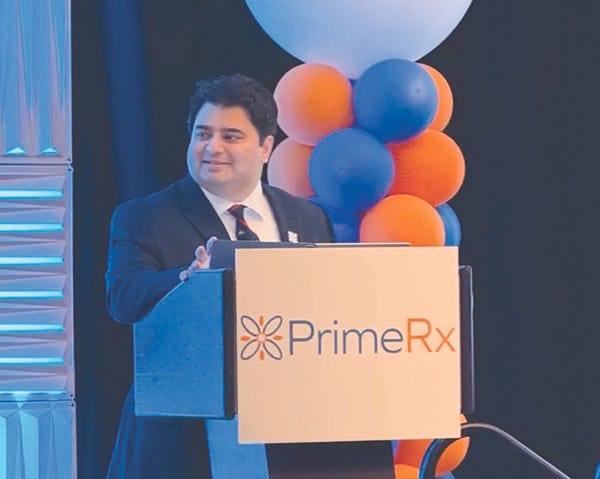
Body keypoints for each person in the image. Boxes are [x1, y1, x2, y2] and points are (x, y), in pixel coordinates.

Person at [104, 74, 335, 478]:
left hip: (290, 426)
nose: (213, 148)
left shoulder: (307, 217)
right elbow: (123, 299)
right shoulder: (145, 215)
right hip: (180, 439)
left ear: (266, 147)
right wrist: (188, 281)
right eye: (203, 134)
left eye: (231, 136)